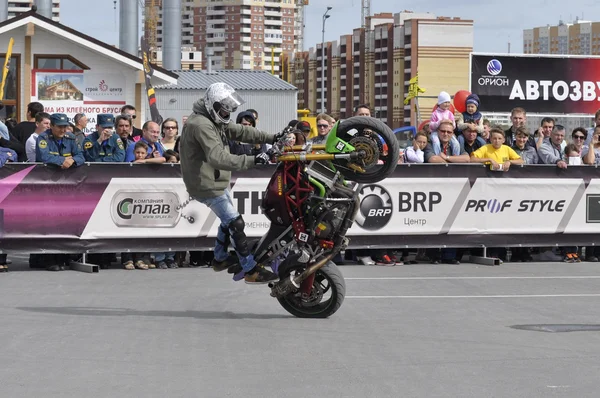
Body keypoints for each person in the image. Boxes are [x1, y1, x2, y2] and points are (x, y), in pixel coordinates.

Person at [179, 82, 282, 284]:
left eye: (228, 109)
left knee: (228, 222)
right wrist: (255, 159)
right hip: (205, 184)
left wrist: (273, 136)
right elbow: (218, 157)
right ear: (211, 105)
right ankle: (250, 270)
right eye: (223, 108)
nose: (226, 113)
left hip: (214, 180)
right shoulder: (201, 125)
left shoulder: (212, 119)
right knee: (235, 222)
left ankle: (220, 258)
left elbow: (242, 132)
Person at [429, 91, 460, 156]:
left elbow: (454, 126)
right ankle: (438, 156)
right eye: (445, 102)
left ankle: (456, 157)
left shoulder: (450, 113)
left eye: (448, 102)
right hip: (436, 132)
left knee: (456, 143)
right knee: (436, 142)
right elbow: (431, 126)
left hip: (448, 132)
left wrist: (451, 123)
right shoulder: (435, 113)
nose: (447, 104)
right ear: (440, 103)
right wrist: (439, 122)